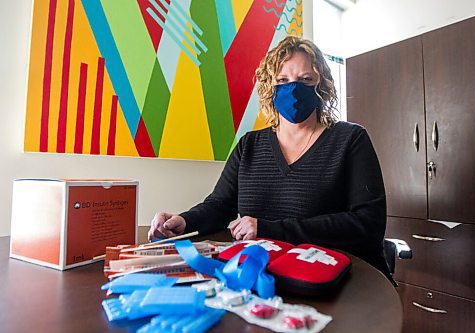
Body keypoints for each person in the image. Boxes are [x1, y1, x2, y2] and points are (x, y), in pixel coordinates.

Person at [149, 36, 391, 279]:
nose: (293, 89)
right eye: (283, 80)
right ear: (269, 87)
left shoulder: (350, 139)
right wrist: (182, 221)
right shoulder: (249, 145)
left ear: (322, 85)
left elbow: (368, 223)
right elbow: (219, 206)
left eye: (306, 80)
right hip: (268, 276)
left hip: (343, 280)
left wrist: (269, 229)